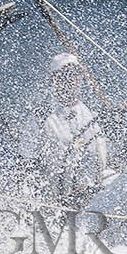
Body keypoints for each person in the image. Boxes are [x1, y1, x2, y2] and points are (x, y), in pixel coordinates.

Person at [26, 51, 111, 203]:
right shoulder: (40, 118)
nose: (72, 79)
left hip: (97, 192)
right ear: (54, 80)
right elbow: (26, 161)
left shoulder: (92, 111)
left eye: (76, 73)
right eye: (66, 73)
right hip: (60, 197)